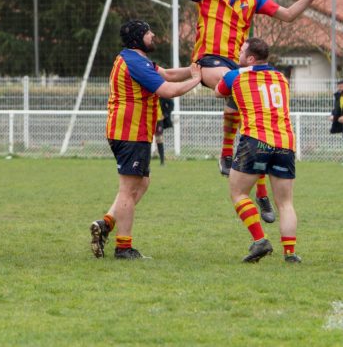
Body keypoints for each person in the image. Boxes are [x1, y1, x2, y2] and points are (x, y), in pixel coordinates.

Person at [166, 0, 329, 220]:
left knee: (252, 119)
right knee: (237, 85)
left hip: (237, 66)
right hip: (208, 63)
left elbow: (289, 15)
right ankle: (227, 153)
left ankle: (261, 190)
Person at [90, 20, 202, 260]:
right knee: (128, 190)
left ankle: (106, 224)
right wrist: (195, 82)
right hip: (130, 133)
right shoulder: (135, 63)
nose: (153, 35)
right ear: (138, 38)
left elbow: (169, 74)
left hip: (131, 132)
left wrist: (196, 69)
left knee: (142, 184)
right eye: (149, 32)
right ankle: (123, 247)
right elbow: (168, 90)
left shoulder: (135, 59)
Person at [215, 38, 300, 263]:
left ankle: (260, 240)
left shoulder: (236, 75)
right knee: (285, 203)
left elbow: (218, 92)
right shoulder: (281, 77)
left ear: (250, 58)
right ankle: (290, 254)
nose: (238, 54)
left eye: (242, 51)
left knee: (238, 192)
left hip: (257, 140)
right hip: (285, 143)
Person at [153, 97, 173, 166]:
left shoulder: (162, 95)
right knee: (145, 140)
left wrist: (165, 115)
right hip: (148, 119)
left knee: (159, 139)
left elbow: (171, 104)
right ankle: (144, 161)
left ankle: (162, 162)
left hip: (158, 121)